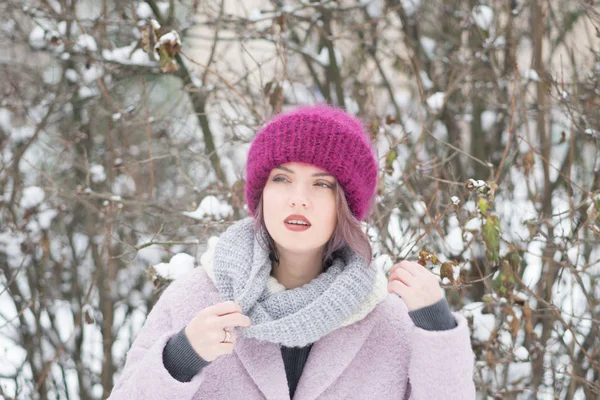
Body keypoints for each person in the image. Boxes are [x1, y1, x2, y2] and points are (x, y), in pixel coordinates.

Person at [108, 105, 476, 399]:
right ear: (261, 194)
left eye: (321, 184)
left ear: (345, 206)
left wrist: (437, 328)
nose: (298, 198)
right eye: (281, 178)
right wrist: (180, 359)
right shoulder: (196, 300)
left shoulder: (388, 320)